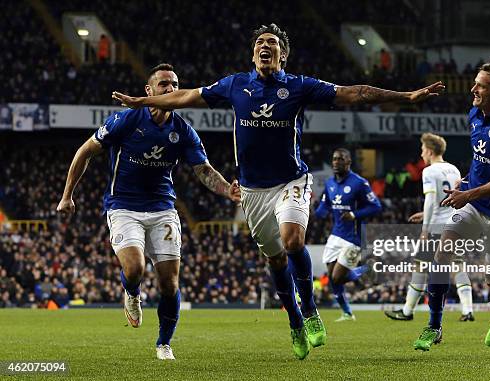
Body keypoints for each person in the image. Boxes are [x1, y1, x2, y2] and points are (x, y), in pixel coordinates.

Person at [111, 23, 444, 360]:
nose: (264, 46)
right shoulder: (235, 85)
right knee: (275, 259)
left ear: (282, 54)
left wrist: (406, 97)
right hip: (253, 191)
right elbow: (186, 96)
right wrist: (141, 101)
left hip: (291, 181)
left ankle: (311, 311)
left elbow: (353, 92)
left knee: (293, 240)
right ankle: (296, 322)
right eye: (259, 43)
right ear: (253, 54)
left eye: (271, 43)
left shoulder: (300, 87)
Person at [57, 63, 240, 360]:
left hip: (163, 209)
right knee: (134, 268)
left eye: (175, 84)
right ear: (149, 91)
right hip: (123, 207)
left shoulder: (182, 130)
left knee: (170, 284)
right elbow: (84, 152)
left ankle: (164, 343)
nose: (170, 89)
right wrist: (67, 196)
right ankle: (131, 293)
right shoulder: (127, 120)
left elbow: (204, 170)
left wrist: (225, 189)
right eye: (164, 84)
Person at [412, 63, 490, 351]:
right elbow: (483, 160)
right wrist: (467, 185)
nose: (473, 89)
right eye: (475, 83)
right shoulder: (475, 114)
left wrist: (470, 192)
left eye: (481, 86)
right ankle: (434, 326)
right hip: (474, 204)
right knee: (442, 253)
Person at [385, 133, 475, 322]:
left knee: (420, 267)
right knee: (457, 265)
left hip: (437, 228)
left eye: (423, 149)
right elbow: (450, 200)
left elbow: (431, 200)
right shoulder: (454, 170)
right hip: (455, 225)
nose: (421, 153)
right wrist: (426, 214)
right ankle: (468, 310)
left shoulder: (429, 171)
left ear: (430, 151)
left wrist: (425, 229)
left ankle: (408, 311)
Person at [315, 148, 382, 322]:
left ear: (349, 162)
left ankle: (367, 268)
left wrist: (354, 214)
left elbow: (376, 206)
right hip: (336, 235)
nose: (336, 162)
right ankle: (347, 313)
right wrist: (308, 208)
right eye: (334, 159)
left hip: (354, 238)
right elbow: (323, 209)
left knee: (338, 277)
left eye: (341, 159)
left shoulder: (359, 183)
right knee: (332, 278)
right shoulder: (330, 183)